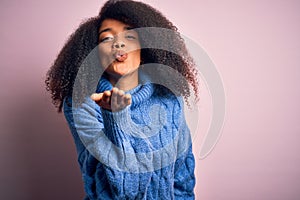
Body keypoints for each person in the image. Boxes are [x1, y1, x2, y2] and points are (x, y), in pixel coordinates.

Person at [45, 0, 199, 199]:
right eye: (106, 39)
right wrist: (114, 116)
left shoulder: (169, 97)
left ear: (145, 49)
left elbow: (182, 180)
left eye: (129, 35)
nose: (118, 43)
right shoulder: (82, 103)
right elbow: (123, 190)